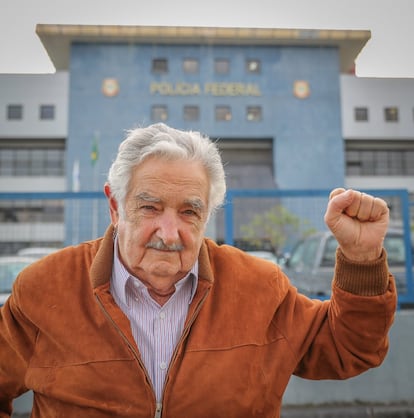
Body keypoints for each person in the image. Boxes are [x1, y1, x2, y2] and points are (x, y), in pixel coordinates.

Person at [0, 123, 396, 418]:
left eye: (189, 211)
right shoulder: (45, 288)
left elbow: (350, 348)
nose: (169, 233)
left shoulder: (259, 288)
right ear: (116, 207)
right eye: (150, 207)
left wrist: (362, 257)